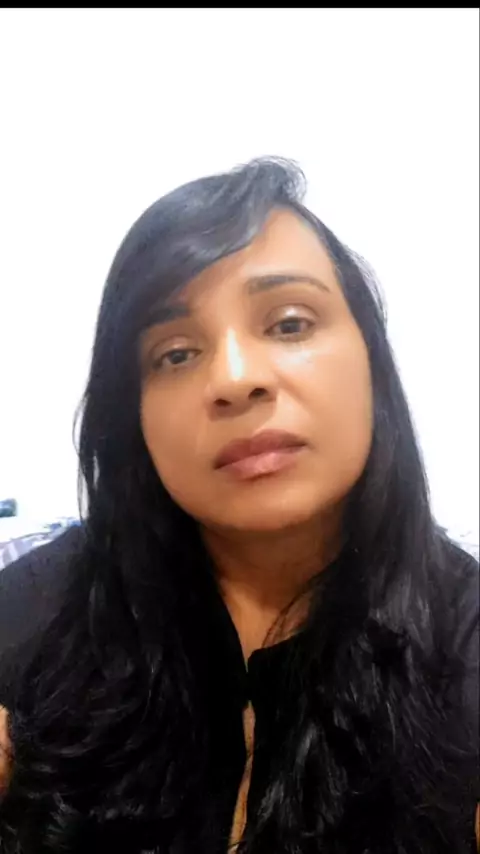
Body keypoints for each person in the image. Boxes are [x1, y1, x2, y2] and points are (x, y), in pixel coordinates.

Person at [0, 157, 478, 853]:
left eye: (289, 323)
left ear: (372, 365)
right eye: (174, 354)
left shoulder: (464, 647)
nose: (233, 378)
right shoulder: (38, 609)